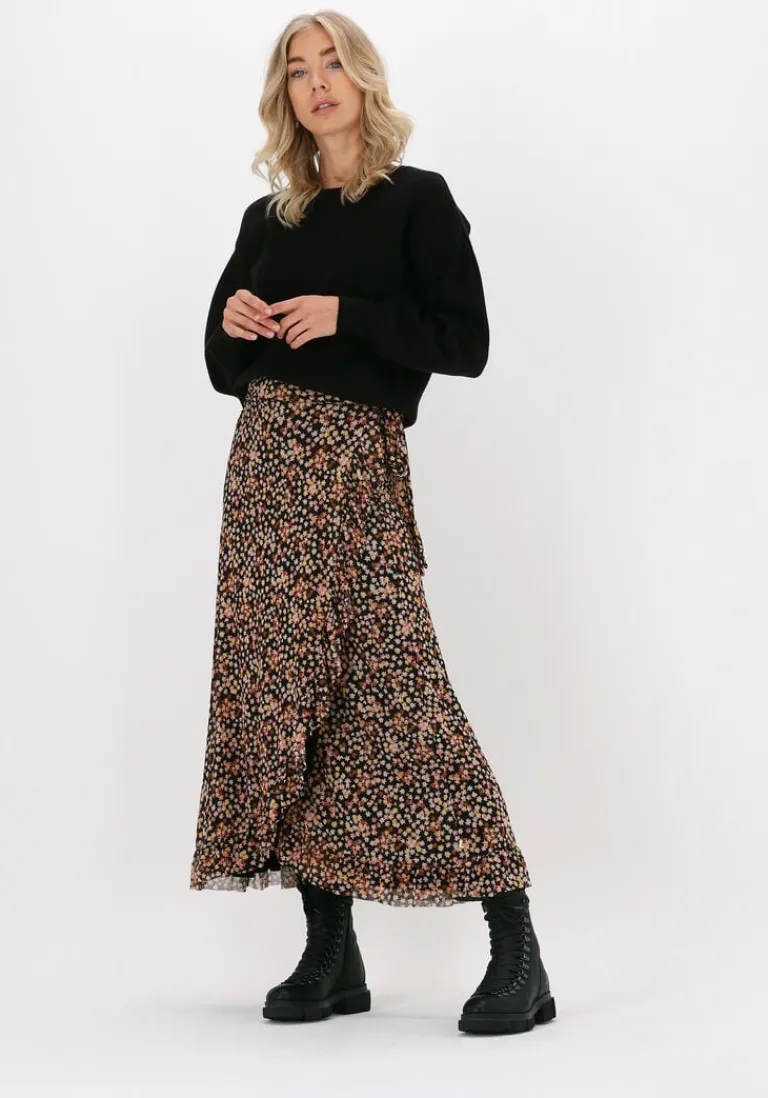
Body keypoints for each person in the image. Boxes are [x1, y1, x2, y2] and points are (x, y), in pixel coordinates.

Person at [189, 10, 557, 1037]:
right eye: (297, 70)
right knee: (287, 699)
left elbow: (465, 341)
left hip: (355, 469)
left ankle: (517, 946)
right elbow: (223, 368)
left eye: (332, 64)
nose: (316, 83)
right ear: (285, 95)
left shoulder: (417, 202)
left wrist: (347, 315)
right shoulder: (269, 220)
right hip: (265, 474)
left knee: (402, 689)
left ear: (362, 79)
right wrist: (233, 319)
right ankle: (330, 951)